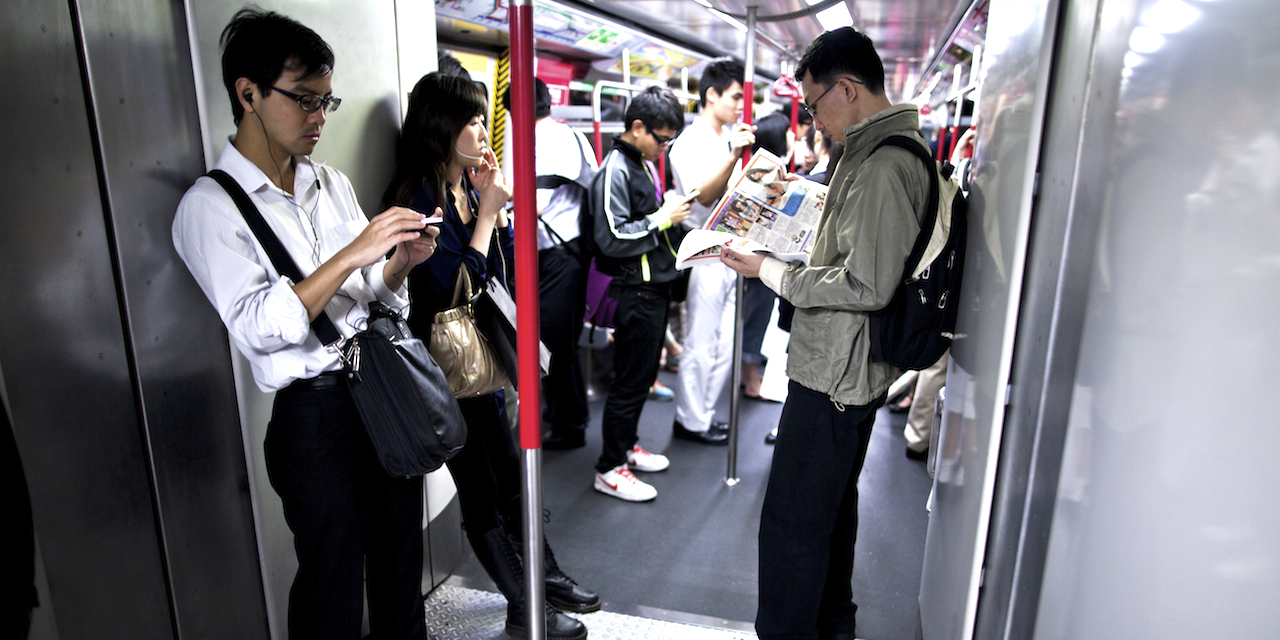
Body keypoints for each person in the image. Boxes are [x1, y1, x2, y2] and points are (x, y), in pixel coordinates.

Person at [172, 10, 437, 639]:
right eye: (305, 101)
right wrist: (352, 252)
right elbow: (260, 327)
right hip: (315, 421)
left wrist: (396, 265)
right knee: (331, 586)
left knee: (402, 563)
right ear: (248, 93)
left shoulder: (330, 183)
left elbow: (366, 296)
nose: (320, 118)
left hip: (381, 393)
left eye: (327, 101)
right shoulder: (208, 207)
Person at [720, 27, 932, 639]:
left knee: (792, 527)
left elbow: (866, 284)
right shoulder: (872, 154)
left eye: (814, 106)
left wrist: (770, 269)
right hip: (844, 365)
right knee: (829, 518)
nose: (813, 122)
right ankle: (832, 628)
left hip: (838, 372)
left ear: (847, 88)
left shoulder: (884, 165)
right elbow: (853, 245)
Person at [383, 72, 596, 640]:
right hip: (443, 371)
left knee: (512, 478)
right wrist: (484, 218)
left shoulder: (465, 187)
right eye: (471, 120)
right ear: (440, 128)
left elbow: (493, 274)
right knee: (480, 492)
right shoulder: (417, 197)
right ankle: (524, 606)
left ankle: (542, 579)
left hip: (479, 362)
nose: (482, 130)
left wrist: (490, 211)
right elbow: (443, 288)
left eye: (482, 118)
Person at [587, 86, 690, 501]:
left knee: (643, 376)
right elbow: (610, 236)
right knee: (629, 382)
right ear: (637, 128)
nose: (664, 148)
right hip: (634, 291)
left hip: (654, 288)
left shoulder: (642, 163)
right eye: (661, 139)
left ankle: (626, 447)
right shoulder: (616, 169)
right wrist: (662, 219)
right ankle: (609, 466)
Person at [667, 58, 755, 446]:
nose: (740, 104)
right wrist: (734, 157)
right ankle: (690, 419)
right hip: (704, 247)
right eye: (735, 97)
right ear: (712, 95)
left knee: (726, 342)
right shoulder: (689, 143)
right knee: (702, 340)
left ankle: (703, 414)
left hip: (732, 248)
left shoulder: (725, 137)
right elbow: (702, 193)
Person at [510, 78, 597, 451]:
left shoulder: (538, 142)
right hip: (573, 249)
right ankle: (565, 416)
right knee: (562, 341)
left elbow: (535, 205)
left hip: (555, 254)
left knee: (553, 343)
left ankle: (569, 423)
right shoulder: (574, 136)